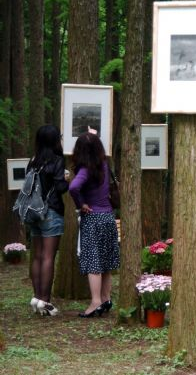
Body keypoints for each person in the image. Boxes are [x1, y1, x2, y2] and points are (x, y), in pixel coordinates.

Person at [68, 132, 119, 318]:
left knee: (94, 263)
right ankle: (106, 298)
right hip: (108, 218)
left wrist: (81, 204)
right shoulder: (105, 166)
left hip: (93, 219)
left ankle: (95, 301)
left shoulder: (85, 169)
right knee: (105, 262)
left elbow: (73, 187)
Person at [27, 125, 69, 316]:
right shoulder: (57, 160)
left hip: (33, 213)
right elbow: (60, 188)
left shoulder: (33, 160)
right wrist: (66, 178)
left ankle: (36, 298)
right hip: (51, 211)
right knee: (48, 257)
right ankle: (45, 300)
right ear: (54, 140)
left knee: (36, 255)